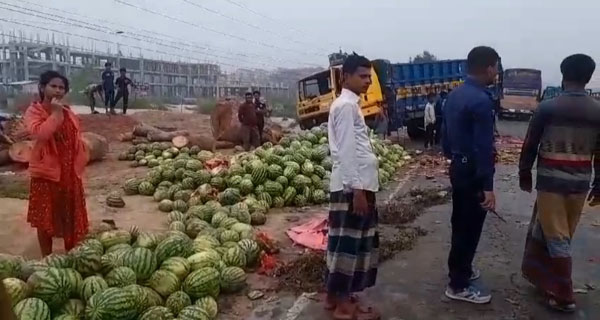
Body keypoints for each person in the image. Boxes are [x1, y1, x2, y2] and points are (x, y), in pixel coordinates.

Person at [519, 54, 600, 312]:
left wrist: (524, 173)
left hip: (551, 182)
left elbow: (530, 143)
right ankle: (545, 282)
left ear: (564, 76)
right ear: (588, 78)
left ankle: (564, 294)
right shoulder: (597, 110)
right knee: (553, 232)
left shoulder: (549, 107)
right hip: (580, 183)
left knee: (556, 237)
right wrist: (599, 185)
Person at [442, 46, 500, 304]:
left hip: (459, 166)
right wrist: (487, 185)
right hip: (473, 171)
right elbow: (484, 147)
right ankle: (458, 285)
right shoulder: (481, 100)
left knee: (460, 223)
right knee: (469, 227)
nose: (496, 72)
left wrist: (452, 157)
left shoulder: (454, 95)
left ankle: (461, 269)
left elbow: (445, 135)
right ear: (489, 67)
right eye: (496, 67)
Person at [325, 54, 380, 320]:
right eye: (362, 76)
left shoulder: (348, 105)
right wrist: (357, 190)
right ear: (345, 77)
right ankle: (344, 307)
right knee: (349, 246)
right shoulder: (346, 106)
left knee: (344, 244)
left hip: (354, 183)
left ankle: (335, 297)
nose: (368, 81)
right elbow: (346, 151)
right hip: (353, 188)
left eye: (369, 76)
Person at [25, 70, 89, 256]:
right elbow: (40, 134)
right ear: (42, 87)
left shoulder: (68, 112)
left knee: (70, 216)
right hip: (47, 174)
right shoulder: (34, 111)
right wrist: (55, 114)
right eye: (53, 86)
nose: (58, 91)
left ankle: (72, 254)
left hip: (69, 173)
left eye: (62, 88)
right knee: (45, 218)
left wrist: (81, 157)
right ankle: (47, 257)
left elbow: (75, 137)